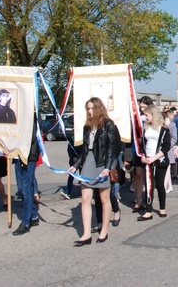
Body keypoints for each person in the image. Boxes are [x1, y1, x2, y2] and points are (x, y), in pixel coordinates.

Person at [68, 97, 118, 245]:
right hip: (88, 162)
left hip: (102, 163)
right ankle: (86, 234)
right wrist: (75, 166)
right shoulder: (87, 127)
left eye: (92, 108)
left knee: (104, 199)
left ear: (98, 108)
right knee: (85, 199)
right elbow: (84, 151)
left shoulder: (108, 124)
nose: (90, 111)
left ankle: (104, 231)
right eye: (88, 109)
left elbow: (110, 149)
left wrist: (108, 168)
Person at [137, 105, 171, 221]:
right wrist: (142, 156)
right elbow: (142, 145)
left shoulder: (163, 129)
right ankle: (148, 210)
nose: (145, 117)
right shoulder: (146, 128)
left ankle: (162, 207)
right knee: (148, 185)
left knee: (159, 184)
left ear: (153, 115)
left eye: (147, 115)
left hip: (159, 160)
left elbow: (167, 146)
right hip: (148, 160)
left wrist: (155, 157)